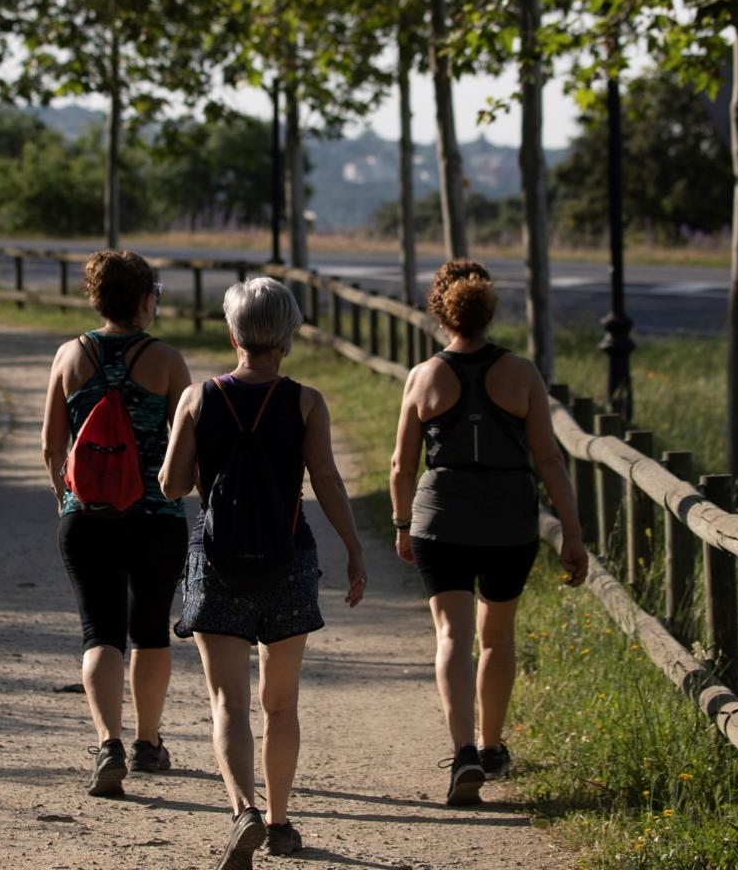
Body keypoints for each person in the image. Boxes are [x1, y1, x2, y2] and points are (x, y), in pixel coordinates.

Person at [158, 277, 368, 869]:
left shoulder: (198, 398)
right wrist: (353, 547)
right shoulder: (305, 401)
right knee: (281, 704)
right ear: (289, 337)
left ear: (233, 335)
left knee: (228, 703)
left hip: (217, 559)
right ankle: (278, 823)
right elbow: (325, 480)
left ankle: (242, 811)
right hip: (288, 559)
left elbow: (173, 486)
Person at [388, 260, 587, 805]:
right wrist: (572, 534)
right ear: (489, 309)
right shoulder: (521, 374)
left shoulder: (422, 376)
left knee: (451, 636)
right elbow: (548, 459)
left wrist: (403, 524)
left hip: (441, 518)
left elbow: (402, 466)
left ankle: (463, 754)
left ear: (440, 311)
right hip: (508, 519)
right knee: (496, 636)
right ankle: (493, 745)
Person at [41, 250, 193, 798]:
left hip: (87, 517)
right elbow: (187, 444)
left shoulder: (68, 355)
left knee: (99, 631)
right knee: (150, 627)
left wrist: (68, 498)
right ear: (145, 300)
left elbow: (50, 445)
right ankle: (149, 742)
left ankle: (109, 743)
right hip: (156, 516)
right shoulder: (168, 362)